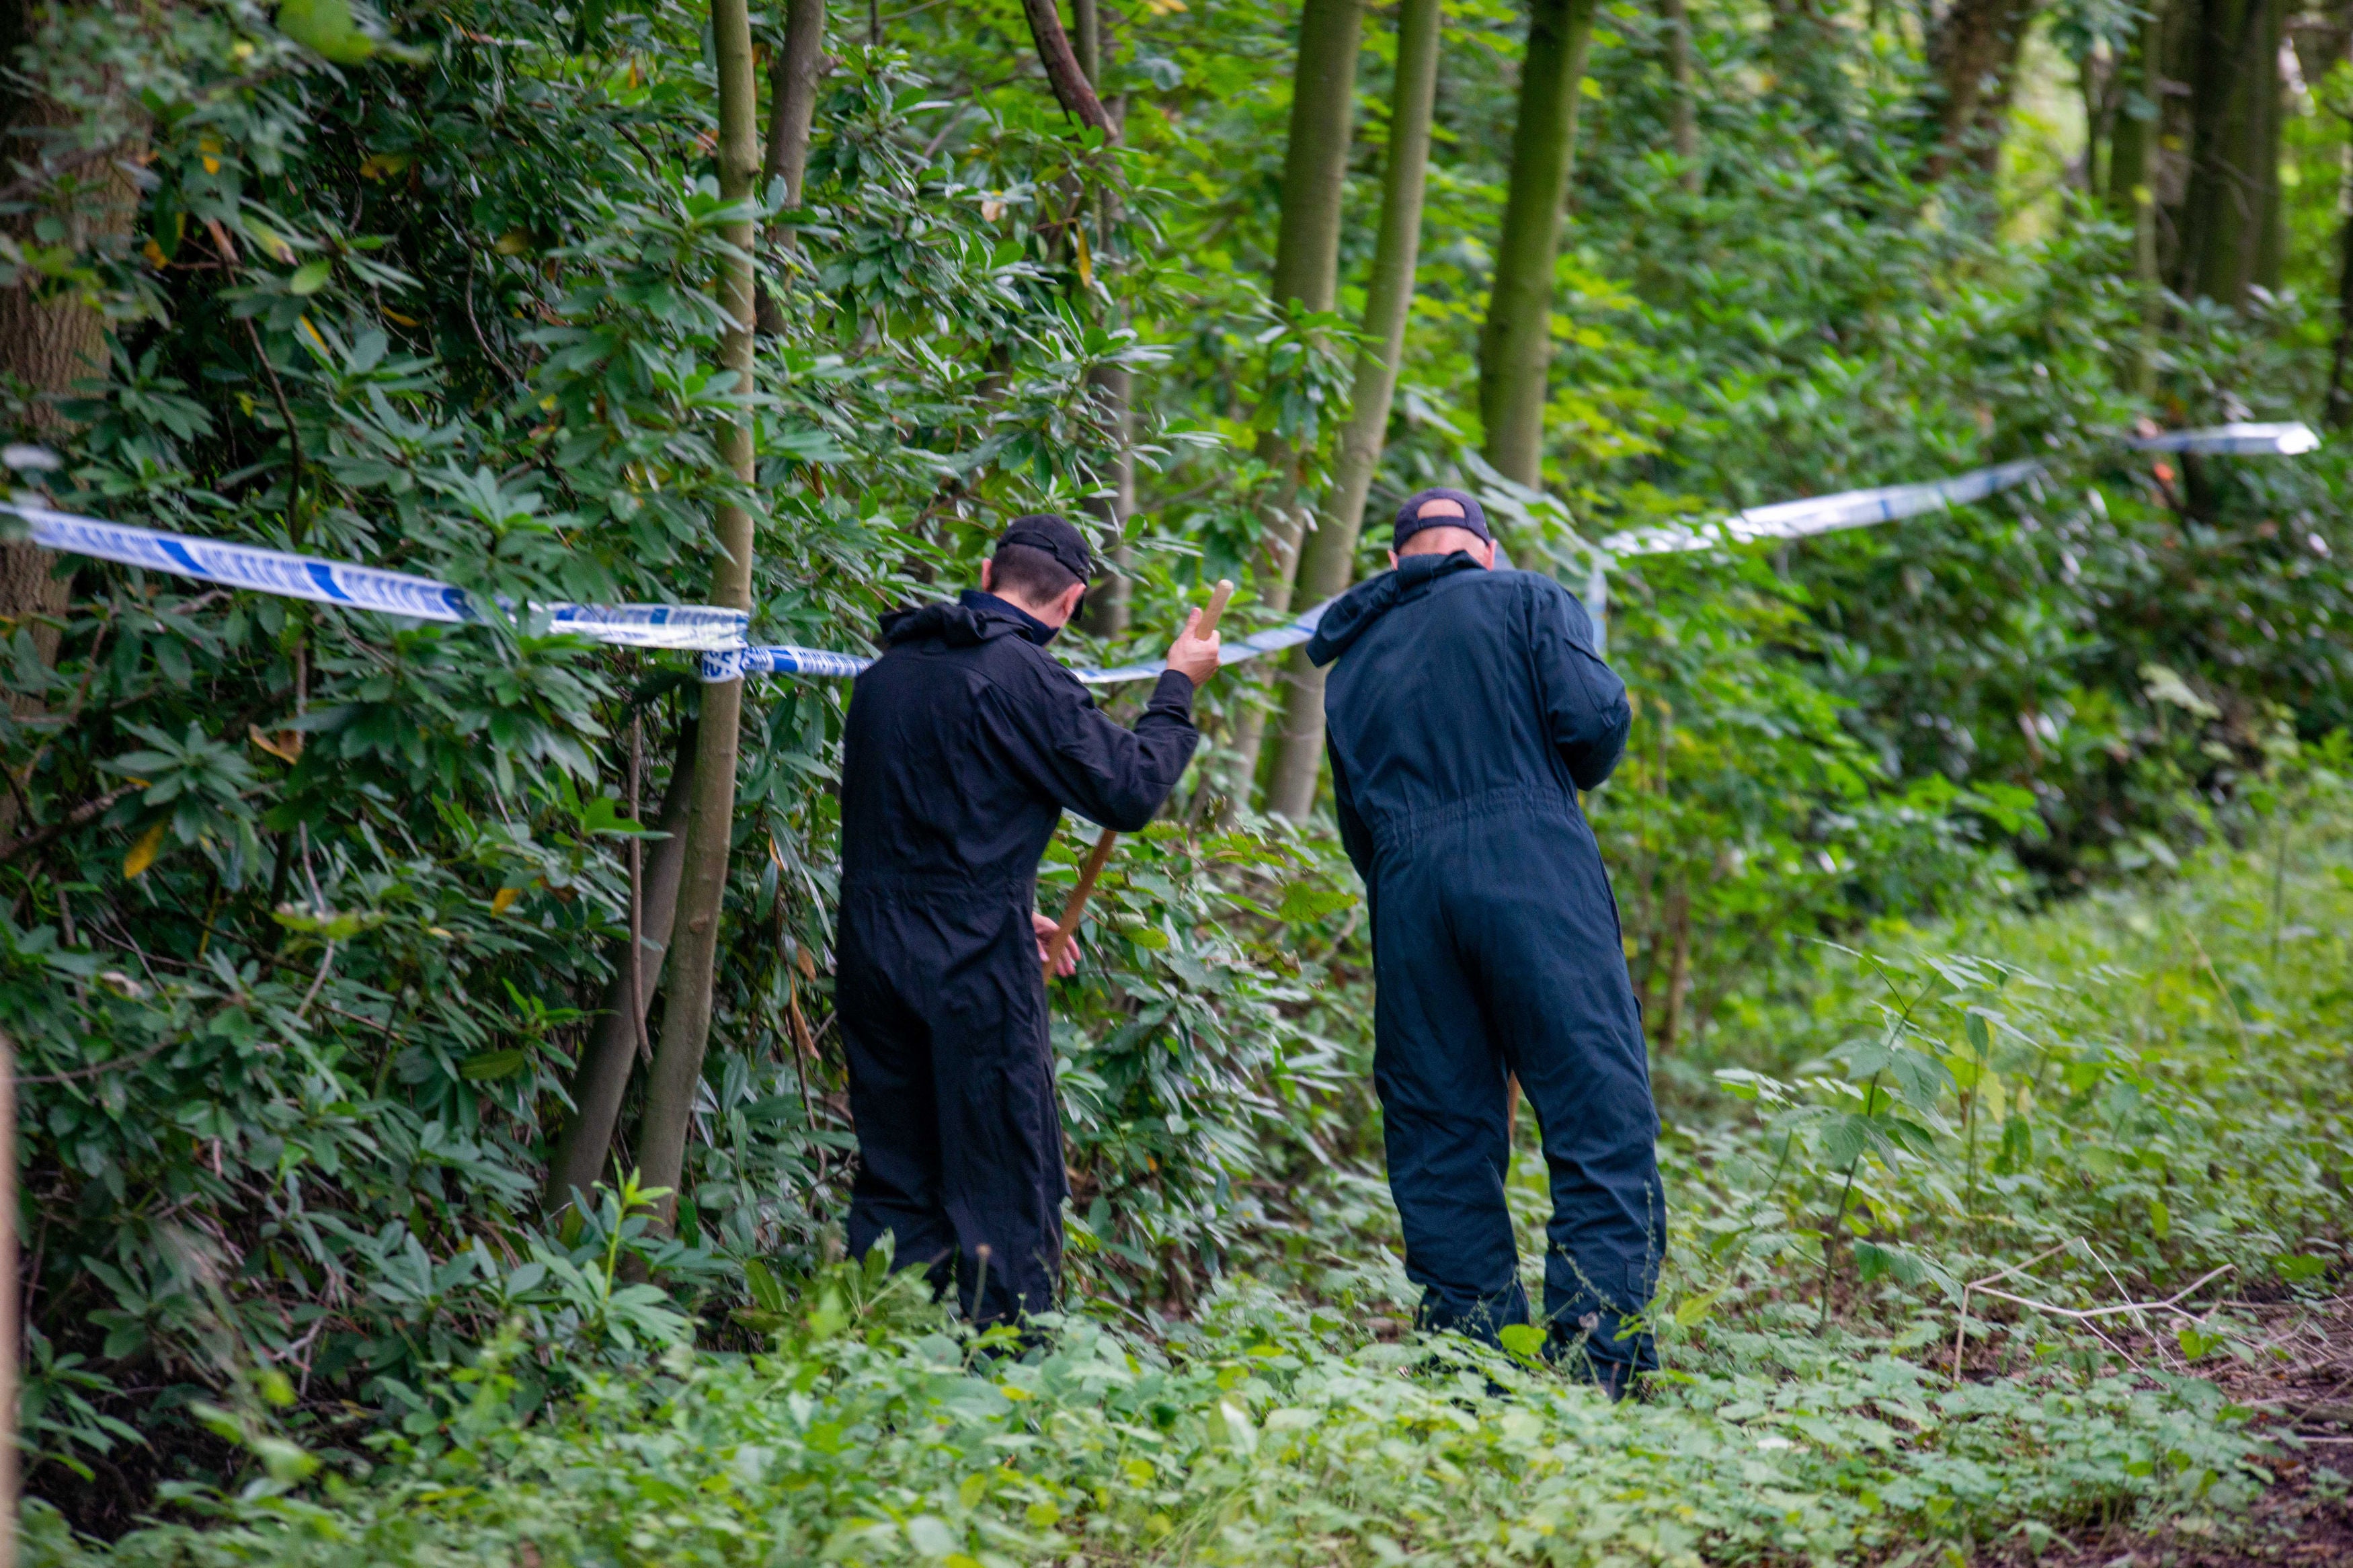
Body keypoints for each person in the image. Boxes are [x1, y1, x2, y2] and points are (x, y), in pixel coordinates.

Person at [1306, 487, 1663, 1395]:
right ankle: (1597, 1361)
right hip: (1531, 867)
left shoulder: (1348, 669)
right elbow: (1587, 731)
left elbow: (1359, 830)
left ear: (1397, 563)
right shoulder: (1531, 600)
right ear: (1486, 551)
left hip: (1408, 897)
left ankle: (1473, 1368)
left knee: (1440, 1131)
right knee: (1595, 1110)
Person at [834, 514, 1222, 1327]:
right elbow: (1129, 788)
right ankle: (1004, 1372)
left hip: (871, 948)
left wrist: (1013, 903)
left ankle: (882, 1348)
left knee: (896, 1168)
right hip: (970, 965)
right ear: (1073, 602)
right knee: (1002, 1173)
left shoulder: (885, 673)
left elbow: (919, 818)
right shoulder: (1022, 678)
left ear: (985, 570)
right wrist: (1176, 686)